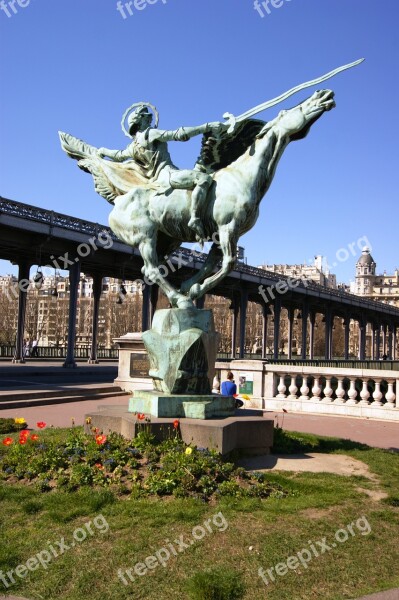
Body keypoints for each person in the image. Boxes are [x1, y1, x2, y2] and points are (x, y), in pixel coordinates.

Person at [98, 104, 225, 243]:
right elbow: (179, 134)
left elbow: (118, 155)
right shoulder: (150, 134)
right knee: (203, 178)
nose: (150, 119)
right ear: (139, 121)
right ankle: (195, 218)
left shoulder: (133, 146)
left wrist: (104, 151)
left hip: (155, 180)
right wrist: (207, 127)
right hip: (168, 174)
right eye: (146, 117)